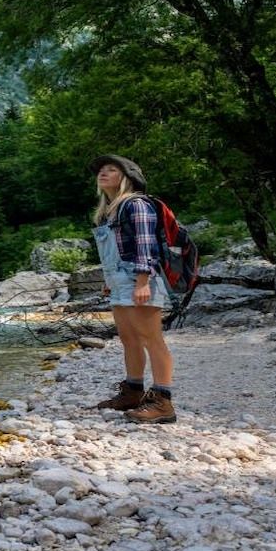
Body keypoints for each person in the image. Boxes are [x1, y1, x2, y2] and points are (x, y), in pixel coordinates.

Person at [88, 155, 177, 424]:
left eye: (111, 170)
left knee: (153, 339)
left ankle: (163, 403)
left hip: (138, 279)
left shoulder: (135, 204)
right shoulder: (109, 211)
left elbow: (144, 245)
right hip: (119, 281)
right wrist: (109, 281)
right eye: (100, 170)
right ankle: (133, 392)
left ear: (126, 177)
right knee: (129, 339)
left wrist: (142, 282)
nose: (103, 173)